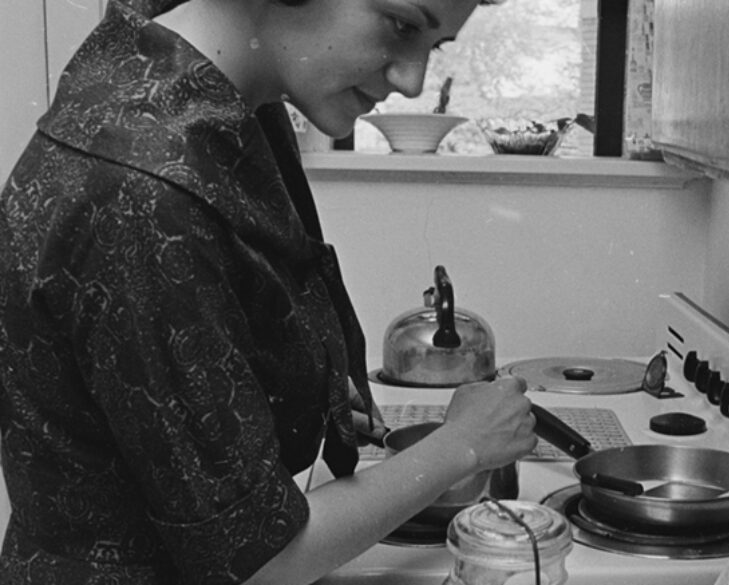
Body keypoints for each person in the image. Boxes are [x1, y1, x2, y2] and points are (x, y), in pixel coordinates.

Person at [0, 0, 537, 583]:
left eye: (433, 48)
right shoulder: (144, 189)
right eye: (402, 25)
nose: (412, 81)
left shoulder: (226, 105)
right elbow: (263, 563)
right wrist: (465, 444)